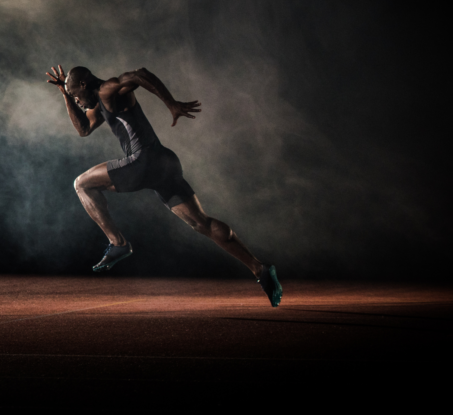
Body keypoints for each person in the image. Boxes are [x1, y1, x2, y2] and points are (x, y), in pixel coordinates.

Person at [45, 64, 282, 307]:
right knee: (202, 223)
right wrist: (64, 93)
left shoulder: (107, 89)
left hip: (144, 161)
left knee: (82, 184)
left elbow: (139, 74)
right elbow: (83, 129)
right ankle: (260, 269)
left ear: (84, 84)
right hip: (165, 163)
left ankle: (118, 243)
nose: (78, 101)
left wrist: (171, 104)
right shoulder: (98, 102)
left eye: (75, 95)